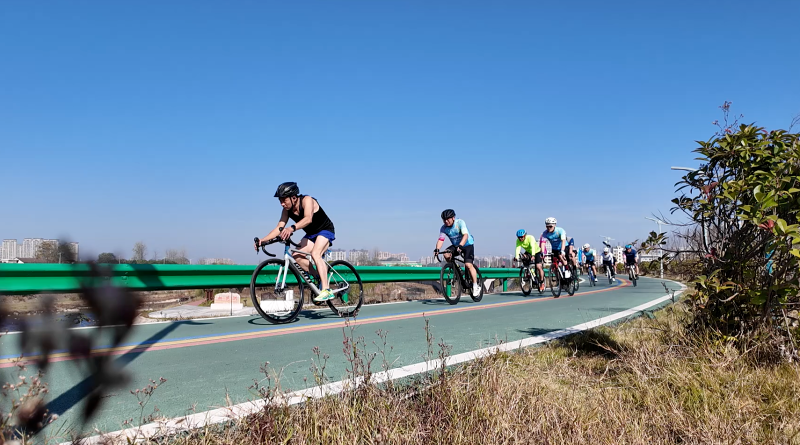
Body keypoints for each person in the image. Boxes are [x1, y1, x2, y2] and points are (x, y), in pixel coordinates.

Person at [255, 182, 337, 302]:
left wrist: (291, 228)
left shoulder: (307, 200)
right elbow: (279, 228)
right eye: (280, 201)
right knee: (296, 255)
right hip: (311, 234)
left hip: (325, 230)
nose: (282, 204)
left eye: (284, 200)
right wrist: (263, 240)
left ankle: (326, 290)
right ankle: (318, 277)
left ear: (293, 197)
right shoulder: (286, 210)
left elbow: (308, 219)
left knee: (315, 254)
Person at [434, 209, 480, 297]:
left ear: (453, 218)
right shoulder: (443, 228)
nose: (446, 221)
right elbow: (441, 240)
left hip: (467, 244)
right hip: (456, 245)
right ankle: (456, 271)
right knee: (446, 254)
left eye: (448, 219)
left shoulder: (460, 223)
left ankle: (475, 286)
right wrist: (437, 249)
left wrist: (461, 245)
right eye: (444, 220)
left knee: (468, 265)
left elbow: (465, 235)